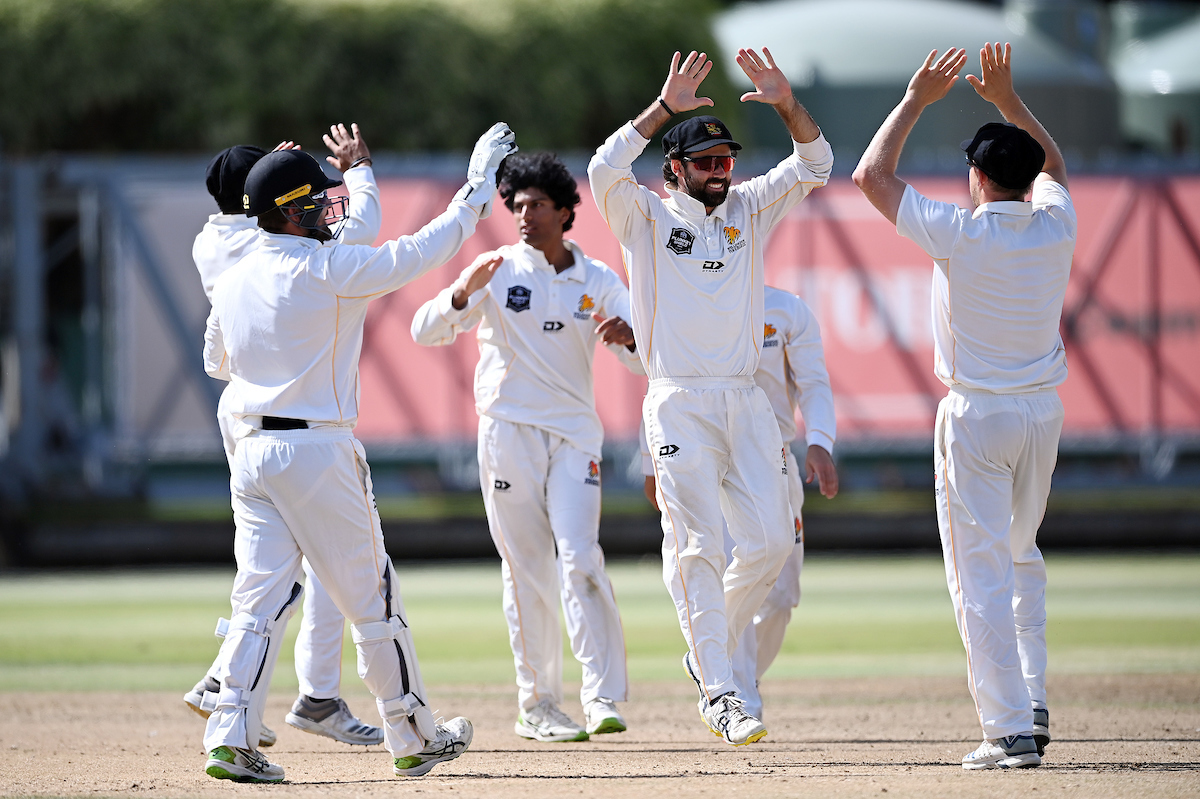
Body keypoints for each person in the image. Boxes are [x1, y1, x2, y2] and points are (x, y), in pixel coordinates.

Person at [200, 122, 517, 782]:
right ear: (288, 210)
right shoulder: (327, 268)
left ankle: (229, 736)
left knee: (256, 602)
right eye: (315, 200)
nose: (327, 208)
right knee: (373, 597)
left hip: (252, 452)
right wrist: (478, 184)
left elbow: (217, 362)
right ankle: (412, 733)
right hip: (316, 449)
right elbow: (426, 248)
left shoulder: (233, 277)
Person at [587, 48, 833, 746]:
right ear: (676, 170)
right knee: (696, 545)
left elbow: (817, 165)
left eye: (726, 160)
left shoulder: (750, 208)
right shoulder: (643, 217)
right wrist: (664, 107)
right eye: (706, 162)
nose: (721, 171)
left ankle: (706, 654)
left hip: (745, 402)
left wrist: (787, 104)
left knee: (769, 545)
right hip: (678, 403)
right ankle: (723, 690)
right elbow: (604, 168)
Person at [852, 43, 1075, 770]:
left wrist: (916, 97)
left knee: (978, 573)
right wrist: (1007, 101)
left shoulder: (961, 230)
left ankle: (1008, 728)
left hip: (978, 416)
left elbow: (870, 176)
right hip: (1042, 412)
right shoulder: (1055, 224)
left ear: (976, 178)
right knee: (1020, 555)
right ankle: (1031, 702)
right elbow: (1057, 171)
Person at [411, 152, 642, 742]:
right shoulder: (496, 269)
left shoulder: (597, 280)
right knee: (527, 570)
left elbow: (648, 358)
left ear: (566, 212)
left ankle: (602, 698)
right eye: (516, 205)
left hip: (572, 436)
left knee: (581, 557)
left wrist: (631, 341)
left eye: (537, 205)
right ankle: (538, 705)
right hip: (507, 433)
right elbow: (425, 332)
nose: (524, 215)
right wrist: (461, 294)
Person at [185, 123, 383, 749]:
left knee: (286, 565)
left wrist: (274, 175)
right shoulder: (249, 246)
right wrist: (349, 175)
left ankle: (291, 691)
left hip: (254, 403)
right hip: (273, 412)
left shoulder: (222, 237)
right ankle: (253, 686)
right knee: (291, 565)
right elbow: (348, 234)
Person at [640, 285, 838, 721]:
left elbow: (814, 382)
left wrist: (820, 440)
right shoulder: (692, 299)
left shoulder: (787, 310)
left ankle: (713, 656)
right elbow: (662, 380)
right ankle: (736, 691)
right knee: (723, 561)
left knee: (780, 592)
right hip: (709, 457)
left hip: (773, 459)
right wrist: (649, 460)